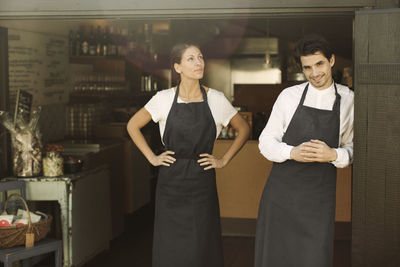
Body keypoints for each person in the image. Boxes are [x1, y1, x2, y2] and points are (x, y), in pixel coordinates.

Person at [127, 43, 250, 267]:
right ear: (178, 67)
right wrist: (152, 158)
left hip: (202, 179)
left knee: (202, 242)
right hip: (170, 181)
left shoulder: (216, 99)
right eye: (191, 59)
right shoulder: (163, 98)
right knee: (170, 244)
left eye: (201, 57)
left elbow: (244, 128)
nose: (198, 62)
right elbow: (132, 125)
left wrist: (223, 160)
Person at [254, 34, 354, 267]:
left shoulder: (348, 99)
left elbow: (354, 146)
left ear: (331, 60)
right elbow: (265, 141)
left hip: (319, 199)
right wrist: (291, 152)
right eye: (307, 67)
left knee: (314, 257)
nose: (314, 73)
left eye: (319, 64)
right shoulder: (289, 96)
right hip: (281, 196)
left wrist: (335, 155)